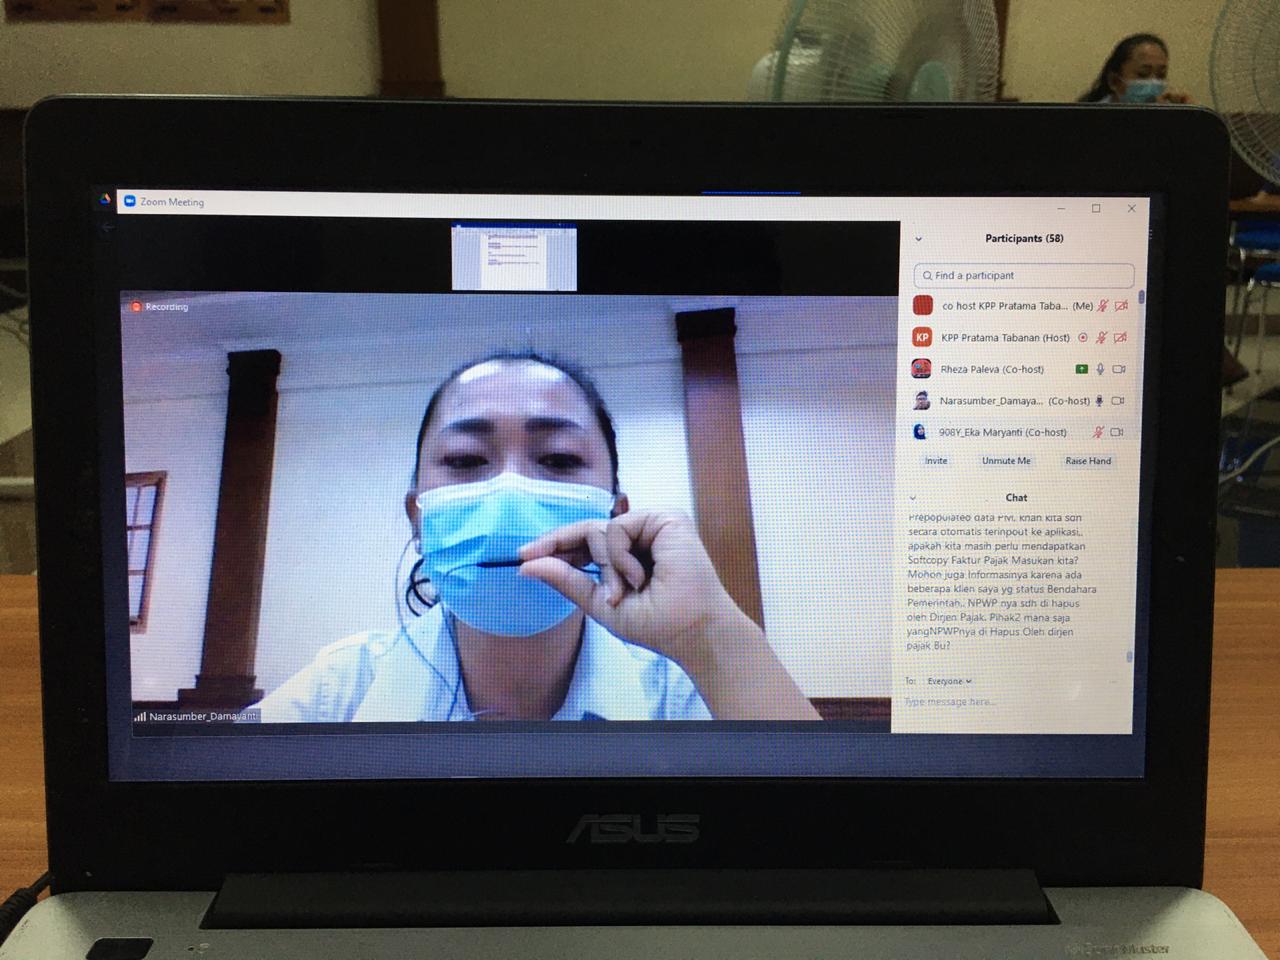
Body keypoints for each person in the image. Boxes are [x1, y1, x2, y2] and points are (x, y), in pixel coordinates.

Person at [252, 351, 821, 723]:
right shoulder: (338, 689)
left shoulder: (681, 696)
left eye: (559, 458)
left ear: (615, 514)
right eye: (466, 460)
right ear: (417, 518)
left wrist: (707, 633)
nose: (509, 493)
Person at [1078, 34, 1190, 104]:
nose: (1154, 82)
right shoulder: (1088, 120)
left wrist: (1189, 117)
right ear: (1114, 82)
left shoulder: (1169, 115)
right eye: (1143, 74)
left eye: (1161, 75)